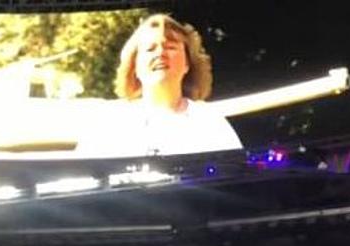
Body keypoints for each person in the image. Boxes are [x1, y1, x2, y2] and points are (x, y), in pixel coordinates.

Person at [76, 14, 243, 157]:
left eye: (170, 47)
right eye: (150, 49)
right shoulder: (110, 121)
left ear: (187, 64)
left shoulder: (209, 121)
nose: (160, 53)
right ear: (135, 68)